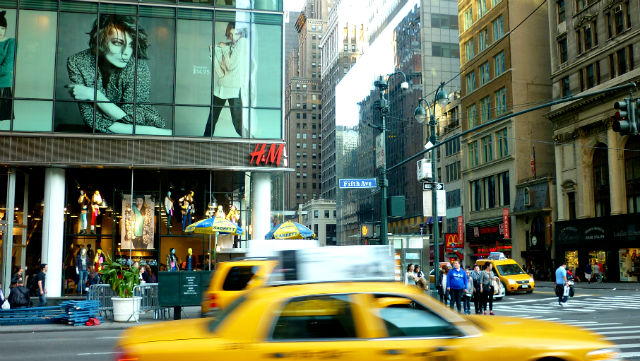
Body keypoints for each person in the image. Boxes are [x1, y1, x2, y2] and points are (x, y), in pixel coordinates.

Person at [67, 14, 168, 135]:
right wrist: (154, 132)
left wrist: (95, 95)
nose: (126, 53)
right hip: (98, 139)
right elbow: (92, 120)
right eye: (117, 43)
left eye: (131, 45)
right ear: (100, 40)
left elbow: (136, 119)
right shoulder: (78, 62)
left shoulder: (138, 66)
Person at [203, 22, 249, 137]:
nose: (232, 38)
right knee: (211, 122)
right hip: (222, 87)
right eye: (230, 35)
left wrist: (223, 48)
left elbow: (231, 65)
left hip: (233, 88)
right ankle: (202, 147)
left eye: (234, 34)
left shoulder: (243, 43)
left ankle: (254, 144)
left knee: (238, 125)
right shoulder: (233, 44)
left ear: (241, 34)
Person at [0, 10, 15, 122]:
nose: (0, 31)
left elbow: (7, 68)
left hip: (2, 87)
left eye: (3, 28)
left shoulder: (11, 42)